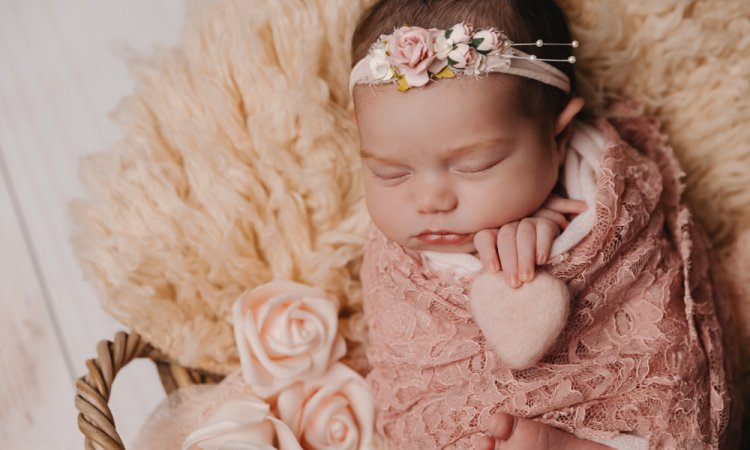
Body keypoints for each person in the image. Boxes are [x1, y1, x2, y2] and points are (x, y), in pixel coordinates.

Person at [350, 0, 736, 449]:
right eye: (390, 173)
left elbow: (654, 336)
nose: (429, 200)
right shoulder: (397, 264)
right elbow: (407, 375)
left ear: (559, 136)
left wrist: (551, 251)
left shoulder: (605, 199)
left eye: (477, 165)